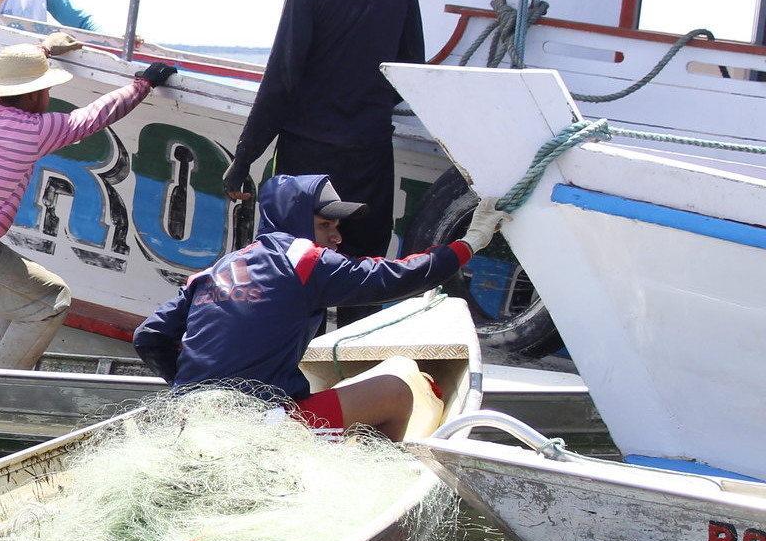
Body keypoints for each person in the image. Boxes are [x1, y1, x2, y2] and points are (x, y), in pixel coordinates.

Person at [133, 174, 504, 441]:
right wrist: (470, 243)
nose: (337, 237)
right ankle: (376, 470)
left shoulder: (217, 268)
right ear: (295, 221)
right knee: (396, 389)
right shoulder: (305, 260)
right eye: (325, 224)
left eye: (337, 226)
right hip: (263, 427)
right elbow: (397, 277)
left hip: (188, 417)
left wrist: (198, 390)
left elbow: (148, 337)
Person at [0, 39, 175, 369]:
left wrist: (42, 49)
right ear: (34, 95)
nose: (49, 97)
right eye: (46, 89)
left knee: (21, 299)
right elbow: (96, 116)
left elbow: (19, 74)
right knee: (53, 300)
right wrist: (144, 83)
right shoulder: (34, 130)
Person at [223, 0, 425, 278]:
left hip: (307, 158)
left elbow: (283, 75)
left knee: (298, 268)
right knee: (364, 268)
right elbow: (411, 66)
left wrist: (244, 157)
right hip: (370, 153)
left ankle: (302, 345)